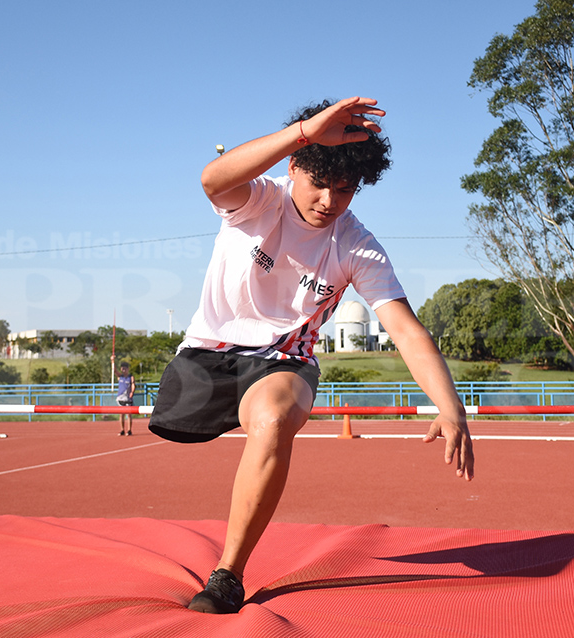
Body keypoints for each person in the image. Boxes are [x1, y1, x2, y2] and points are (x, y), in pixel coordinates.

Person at [147, 96, 475, 614]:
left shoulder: (355, 245)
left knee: (274, 417)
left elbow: (405, 329)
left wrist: (449, 405)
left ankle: (227, 576)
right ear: (295, 165)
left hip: (285, 360)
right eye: (319, 183)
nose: (329, 200)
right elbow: (212, 179)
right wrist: (303, 131)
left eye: (345, 190)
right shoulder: (259, 199)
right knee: (173, 427)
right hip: (208, 354)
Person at [115, 360, 135, 436]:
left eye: (125, 368)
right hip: (120, 398)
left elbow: (133, 384)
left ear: (127, 369)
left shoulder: (131, 377)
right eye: (122, 368)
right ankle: (122, 429)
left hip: (128, 398)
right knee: (121, 415)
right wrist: (113, 361)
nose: (123, 370)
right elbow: (114, 370)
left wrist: (132, 392)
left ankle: (129, 430)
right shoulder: (120, 377)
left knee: (129, 415)